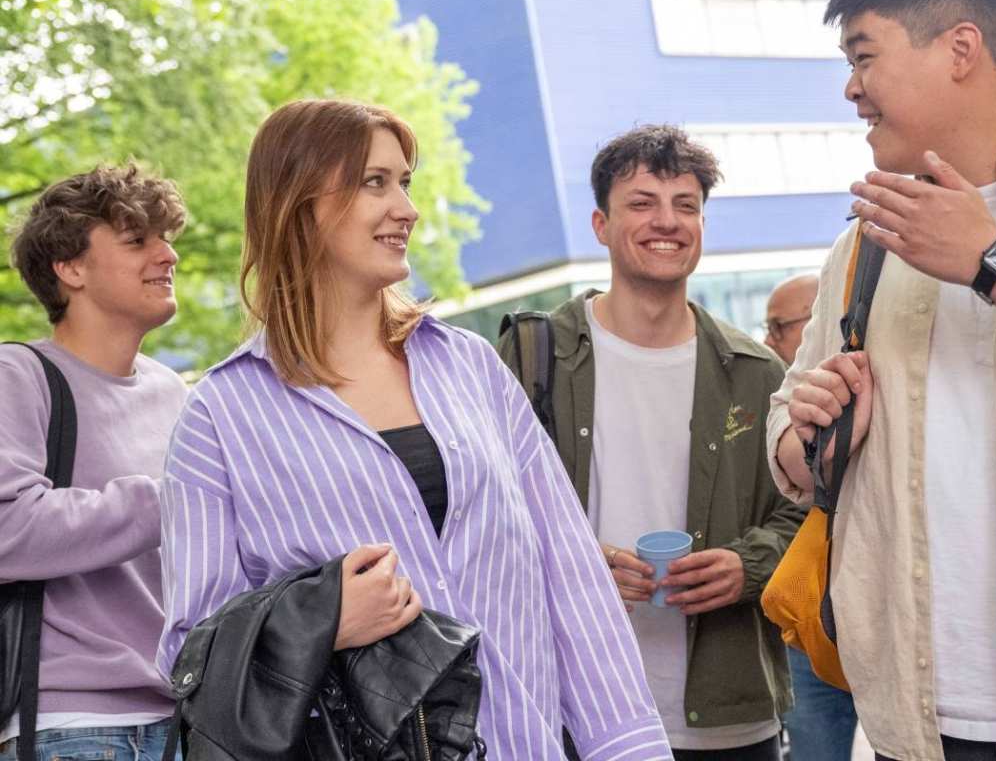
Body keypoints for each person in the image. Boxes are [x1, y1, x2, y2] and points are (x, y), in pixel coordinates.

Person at [157, 99, 672, 760]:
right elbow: (192, 651)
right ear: (301, 201)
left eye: (405, 182)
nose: (407, 208)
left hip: (526, 743)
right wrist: (321, 624)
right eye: (377, 182)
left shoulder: (469, 366)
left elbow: (570, 576)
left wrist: (628, 749)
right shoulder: (220, 417)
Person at [766, 0, 996, 761]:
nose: (851, 89)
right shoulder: (866, 241)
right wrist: (806, 432)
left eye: (864, 55)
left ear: (961, 48)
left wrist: (993, 263)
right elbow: (792, 441)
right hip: (912, 720)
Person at [497, 125, 803, 760]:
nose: (667, 221)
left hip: (728, 720)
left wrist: (748, 566)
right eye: (641, 202)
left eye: (685, 205)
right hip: (575, 710)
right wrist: (573, 568)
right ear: (601, 224)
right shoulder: (532, 355)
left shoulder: (757, 372)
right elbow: (481, 515)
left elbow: (808, 507)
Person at [0, 165, 189, 761]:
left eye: (166, 238)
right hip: (71, 723)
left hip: (184, 716)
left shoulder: (175, 393)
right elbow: (9, 529)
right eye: (138, 241)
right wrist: (175, 497)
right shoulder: (19, 376)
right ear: (70, 268)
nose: (168, 255)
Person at [763, 275, 859, 761]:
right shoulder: (779, 404)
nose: (769, 339)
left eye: (778, 326)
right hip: (807, 618)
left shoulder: (866, 368)